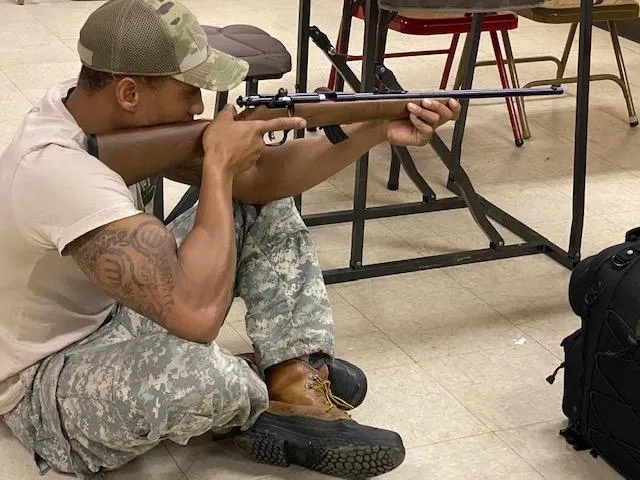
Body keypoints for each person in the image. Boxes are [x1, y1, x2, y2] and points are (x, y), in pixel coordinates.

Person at [0, 0, 460, 478]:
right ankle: (256, 390)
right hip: (43, 380)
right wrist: (218, 168)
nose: (199, 107)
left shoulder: (90, 109)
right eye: (189, 92)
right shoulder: (56, 170)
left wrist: (373, 127)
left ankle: (292, 375)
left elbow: (261, 182)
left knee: (263, 206)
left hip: (112, 312)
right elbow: (197, 317)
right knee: (207, 377)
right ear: (130, 92)